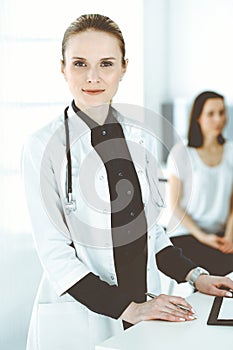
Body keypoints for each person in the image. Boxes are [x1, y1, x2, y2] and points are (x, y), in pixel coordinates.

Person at [22, 16, 233, 350]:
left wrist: (197, 276)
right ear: (63, 68)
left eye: (106, 63)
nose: (92, 76)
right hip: (88, 318)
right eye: (80, 63)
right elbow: (55, 257)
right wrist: (131, 308)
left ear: (124, 68)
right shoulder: (41, 146)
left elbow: (153, 235)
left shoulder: (140, 139)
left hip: (143, 314)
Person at [167, 91, 233, 276]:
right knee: (216, 268)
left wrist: (229, 236)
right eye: (211, 114)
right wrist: (203, 237)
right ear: (198, 117)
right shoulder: (181, 152)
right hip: (186, 234)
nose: (218, 119)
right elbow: (175, 206)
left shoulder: (231, 151)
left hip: (221, 235)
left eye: (221, 112)